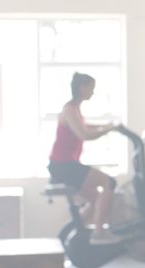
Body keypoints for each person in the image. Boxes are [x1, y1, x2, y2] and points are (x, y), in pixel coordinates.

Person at [48, 72, 120, 245]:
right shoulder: (69, 109)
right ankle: (99, 232)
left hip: (65, 165)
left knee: (95, 199)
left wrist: (107, 125)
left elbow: (84, 126)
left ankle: (72, 236)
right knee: (110, 183)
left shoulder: (74, 109)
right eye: (91, 89)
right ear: (82, 88)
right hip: (63, 166)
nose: (93, 93)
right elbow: (85, 134)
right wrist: (108, 130)